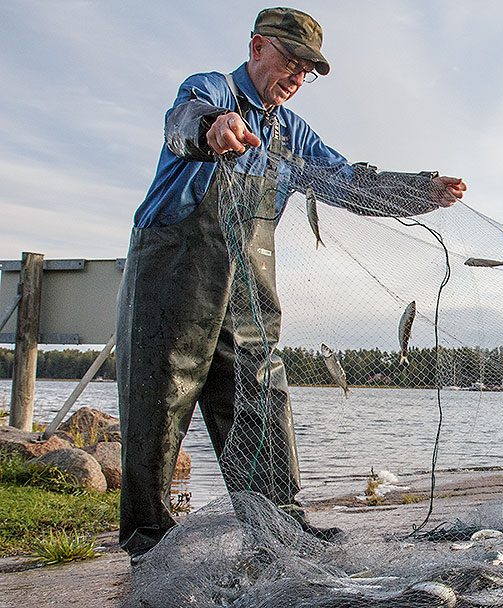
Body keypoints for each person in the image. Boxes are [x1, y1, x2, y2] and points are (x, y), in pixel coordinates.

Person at [116, 7, 466, 561]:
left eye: (308, 71)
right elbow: (181, 121)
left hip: (249, 285)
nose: (299, 78)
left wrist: (419, 190)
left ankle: (280, 524)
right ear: (258, 48)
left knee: (261, 391)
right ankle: (148, 540)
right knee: (160, 399)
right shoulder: (211, 91)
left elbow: (348, 181)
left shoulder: (291, 132)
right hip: (174, 275)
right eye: (292, 62)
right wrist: (215, 128)